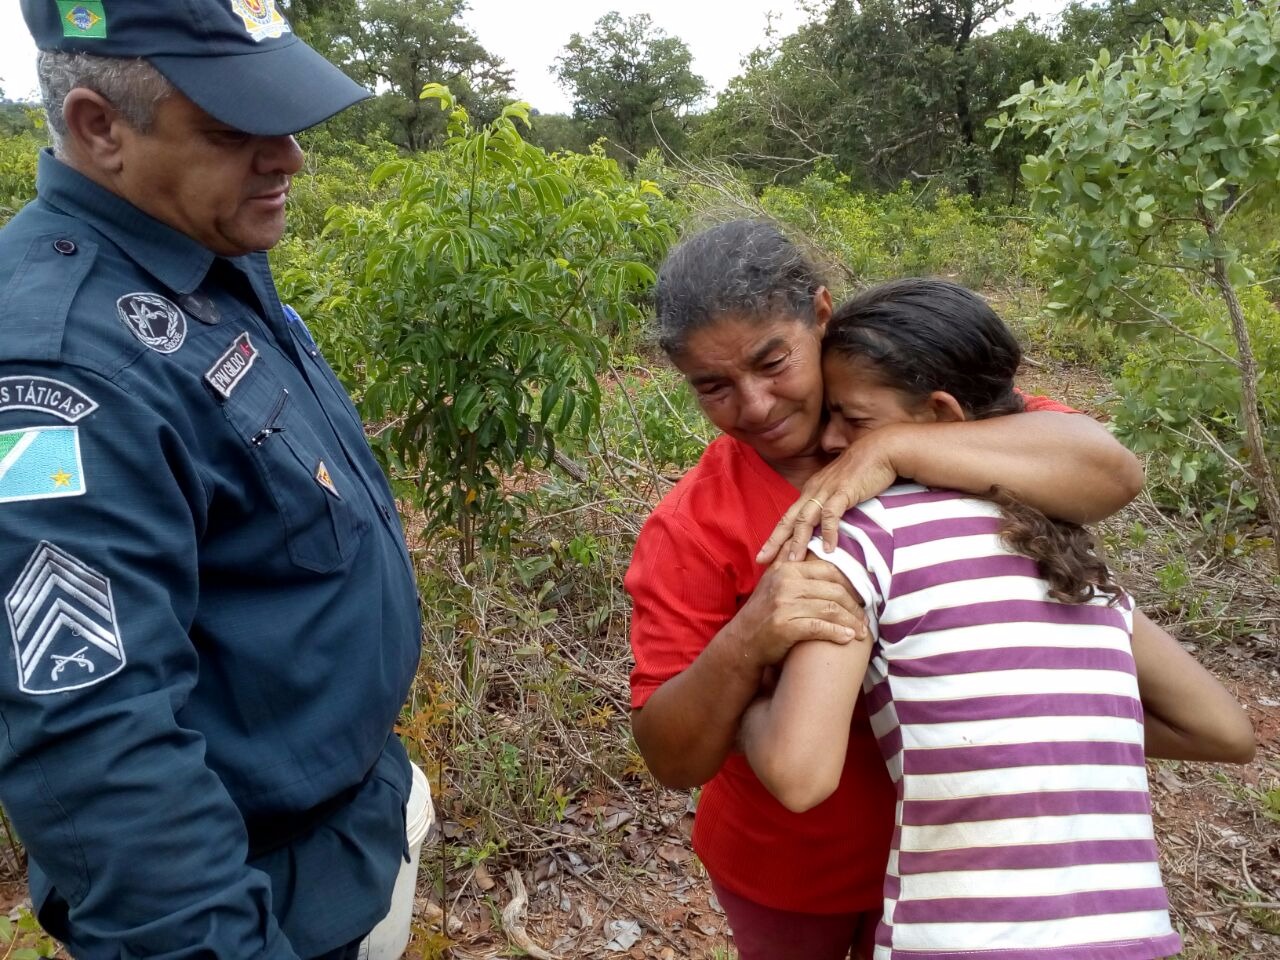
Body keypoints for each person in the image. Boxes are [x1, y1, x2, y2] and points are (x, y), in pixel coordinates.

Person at [0, 3, 421, 958]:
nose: (289, 159)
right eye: (233, 130)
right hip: (257, 899)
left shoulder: (198, 252)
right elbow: (96, 751)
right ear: (99, 127)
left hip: (349, 829)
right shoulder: (57, 373)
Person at [625, 220, 1149, 960]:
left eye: (773, 362)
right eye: (714, 387)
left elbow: (1111, 472)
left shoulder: (921, 407)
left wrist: (892, 446)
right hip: (790, 873)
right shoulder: (692, 525)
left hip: (971, 871)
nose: (755, 405)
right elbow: (670, 758)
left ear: (820, 314)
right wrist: (744, 641)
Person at [740, 278, 1255, 958]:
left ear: (942, 414)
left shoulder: (871, 537)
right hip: (1133, 940)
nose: (833, 442)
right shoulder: (1063, 548)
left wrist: (746, 698)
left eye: (856, 421)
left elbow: (799, 775)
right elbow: (1225, 730)